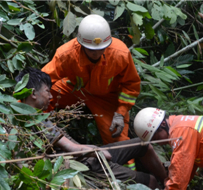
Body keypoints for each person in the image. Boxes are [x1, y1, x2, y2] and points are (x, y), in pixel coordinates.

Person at [16, 68, 165, 189]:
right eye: (47, 91)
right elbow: (74, 149)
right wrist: (98, 152)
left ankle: (168, 183)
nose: (51, 97)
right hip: (88, 164)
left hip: (89, 156)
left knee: (142, 144)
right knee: (150, 181)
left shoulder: (24, 116)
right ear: (34, 94)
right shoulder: (35, 121)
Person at [42, 14, 140, 147]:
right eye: (92, 50)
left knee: (119, 143)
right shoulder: (66, 54)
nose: (97, 54)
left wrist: (120, 113)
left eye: (101, 49)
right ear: (81, 44)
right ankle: (40, 122)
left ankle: (128, 167)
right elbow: (44, 79)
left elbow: (131, 85)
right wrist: (23, 103)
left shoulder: (120, 53)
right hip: (75, 89)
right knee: (44, 93)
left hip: (106, 98)